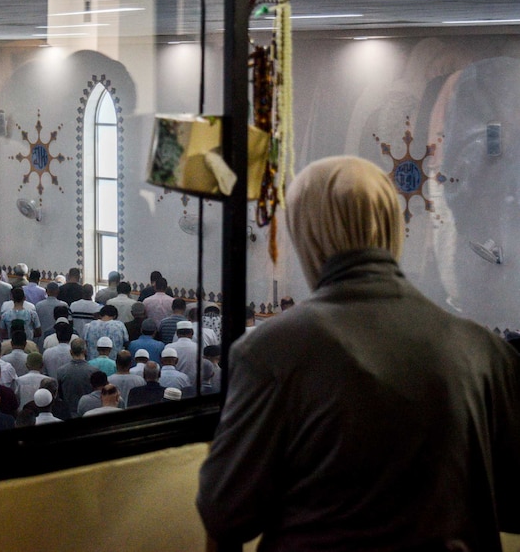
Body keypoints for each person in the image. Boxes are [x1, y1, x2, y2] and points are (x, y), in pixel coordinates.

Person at [197, 155, 520, 551]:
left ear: (308, 235)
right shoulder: (483, 350)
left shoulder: (272, 351)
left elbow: (226, 514)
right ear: (391, 227)